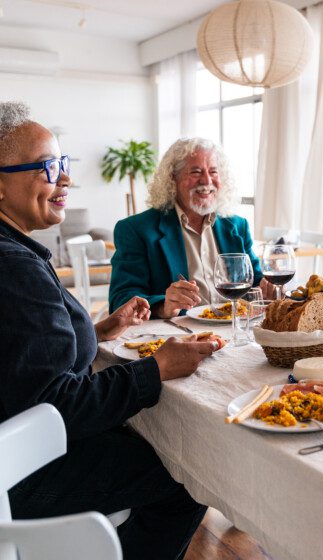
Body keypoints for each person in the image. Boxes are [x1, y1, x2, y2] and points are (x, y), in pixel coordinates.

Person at [0, 101, 213, 559]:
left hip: (21, 446)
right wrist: (155, 368)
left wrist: (96, 330)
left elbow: (21, 355)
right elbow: (59, 406)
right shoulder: (13, 266)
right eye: (48, 166)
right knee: (192, 470)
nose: (65, 179)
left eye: (64, 164)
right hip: (21, 473)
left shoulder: (14, 250)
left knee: (159, 438)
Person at [109, 137, 272, 319]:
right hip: (179, 336)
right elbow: (120, 299)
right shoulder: (136, 230)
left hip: (235, 330)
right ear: (172, 178)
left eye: (213, 172)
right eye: (195, 172)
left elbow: (256, 282)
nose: (207, 181)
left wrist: (268, 289)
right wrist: (164, 305)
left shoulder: (237, 226)